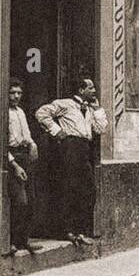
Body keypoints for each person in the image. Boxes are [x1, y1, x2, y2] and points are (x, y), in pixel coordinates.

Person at [35, 76, 108, 246]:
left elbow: (101, 129)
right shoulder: (65, 104)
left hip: (84, 149)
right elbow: (41, 113)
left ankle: (80, 230)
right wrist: (56, 130)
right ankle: (67, 231)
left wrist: (97, 109)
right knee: (69, 189)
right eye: (91, 88)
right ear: (81, 90)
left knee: (88, 191)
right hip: (69, 149)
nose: (94, 91)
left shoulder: (89, 109)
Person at [6, 78, 40, 253]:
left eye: (19, 93)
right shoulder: (4, 114)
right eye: (12, 92)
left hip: (25, 156)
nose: (16, 96)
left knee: (31, 201)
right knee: (20, 201)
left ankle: (23, 240)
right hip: (13, 159)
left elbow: (27, 135)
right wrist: (15, 165)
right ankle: (12, 241)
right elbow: (2, 145)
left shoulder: (20, 112)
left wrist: (33, 144)